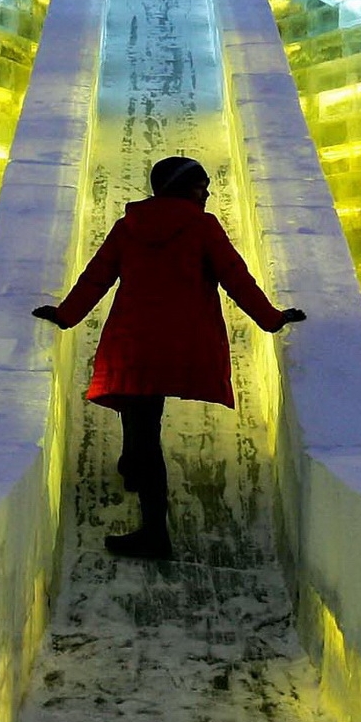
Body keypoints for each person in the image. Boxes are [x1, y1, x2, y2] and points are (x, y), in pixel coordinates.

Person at [33, 156, 305, 560]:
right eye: (201, 185)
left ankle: (135, 478)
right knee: (147, 431)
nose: (207, 192)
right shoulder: (202, 227)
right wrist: (271, 319)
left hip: (132, 341)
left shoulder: (128, 227)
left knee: (140, 417)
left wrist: (66, 315)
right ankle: (154, 532)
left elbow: (98, 276)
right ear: (182, 188)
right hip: (181, 343)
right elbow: (236, 278)